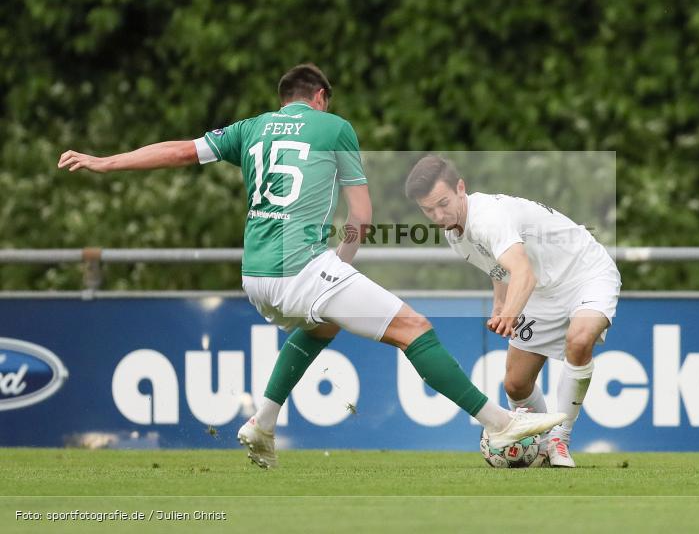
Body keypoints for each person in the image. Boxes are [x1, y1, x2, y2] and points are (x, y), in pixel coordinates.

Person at [57, 63, 565, 468]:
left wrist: (107, 161)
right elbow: (361, 216)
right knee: (415, 329)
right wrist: (341, 266)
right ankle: (502, 423)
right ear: (320, 97)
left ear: (286, 98)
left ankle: (262, 421)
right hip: (301, 267)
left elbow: (180, 151)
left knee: (323, 325)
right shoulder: (334, 127)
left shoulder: (251, 128)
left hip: (254, 275)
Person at [406, 155, 621, 467]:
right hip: (541, 290)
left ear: (460, 188)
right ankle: (542, 446)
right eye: (428, 210)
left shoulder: (487, 218)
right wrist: (499, 303)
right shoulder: (454, 233)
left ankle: (560, 439)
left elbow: (523, 273)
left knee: (579, 340)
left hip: (585, 272)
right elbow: (500, 267)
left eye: (443, 203)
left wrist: (509, 314)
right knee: (516, 384)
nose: (438, 215)